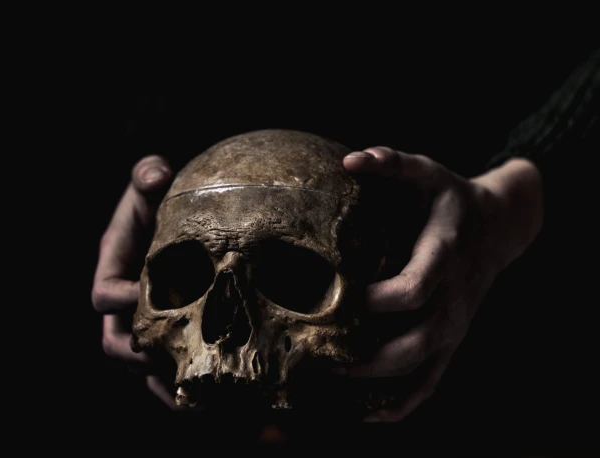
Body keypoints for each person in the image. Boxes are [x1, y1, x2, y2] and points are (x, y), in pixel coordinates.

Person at [92, 47, 598, 428]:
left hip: (495, 334)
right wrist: (141, 182)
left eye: (304, 276)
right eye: (180, 270)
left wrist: (520, 193)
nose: (226, 336)